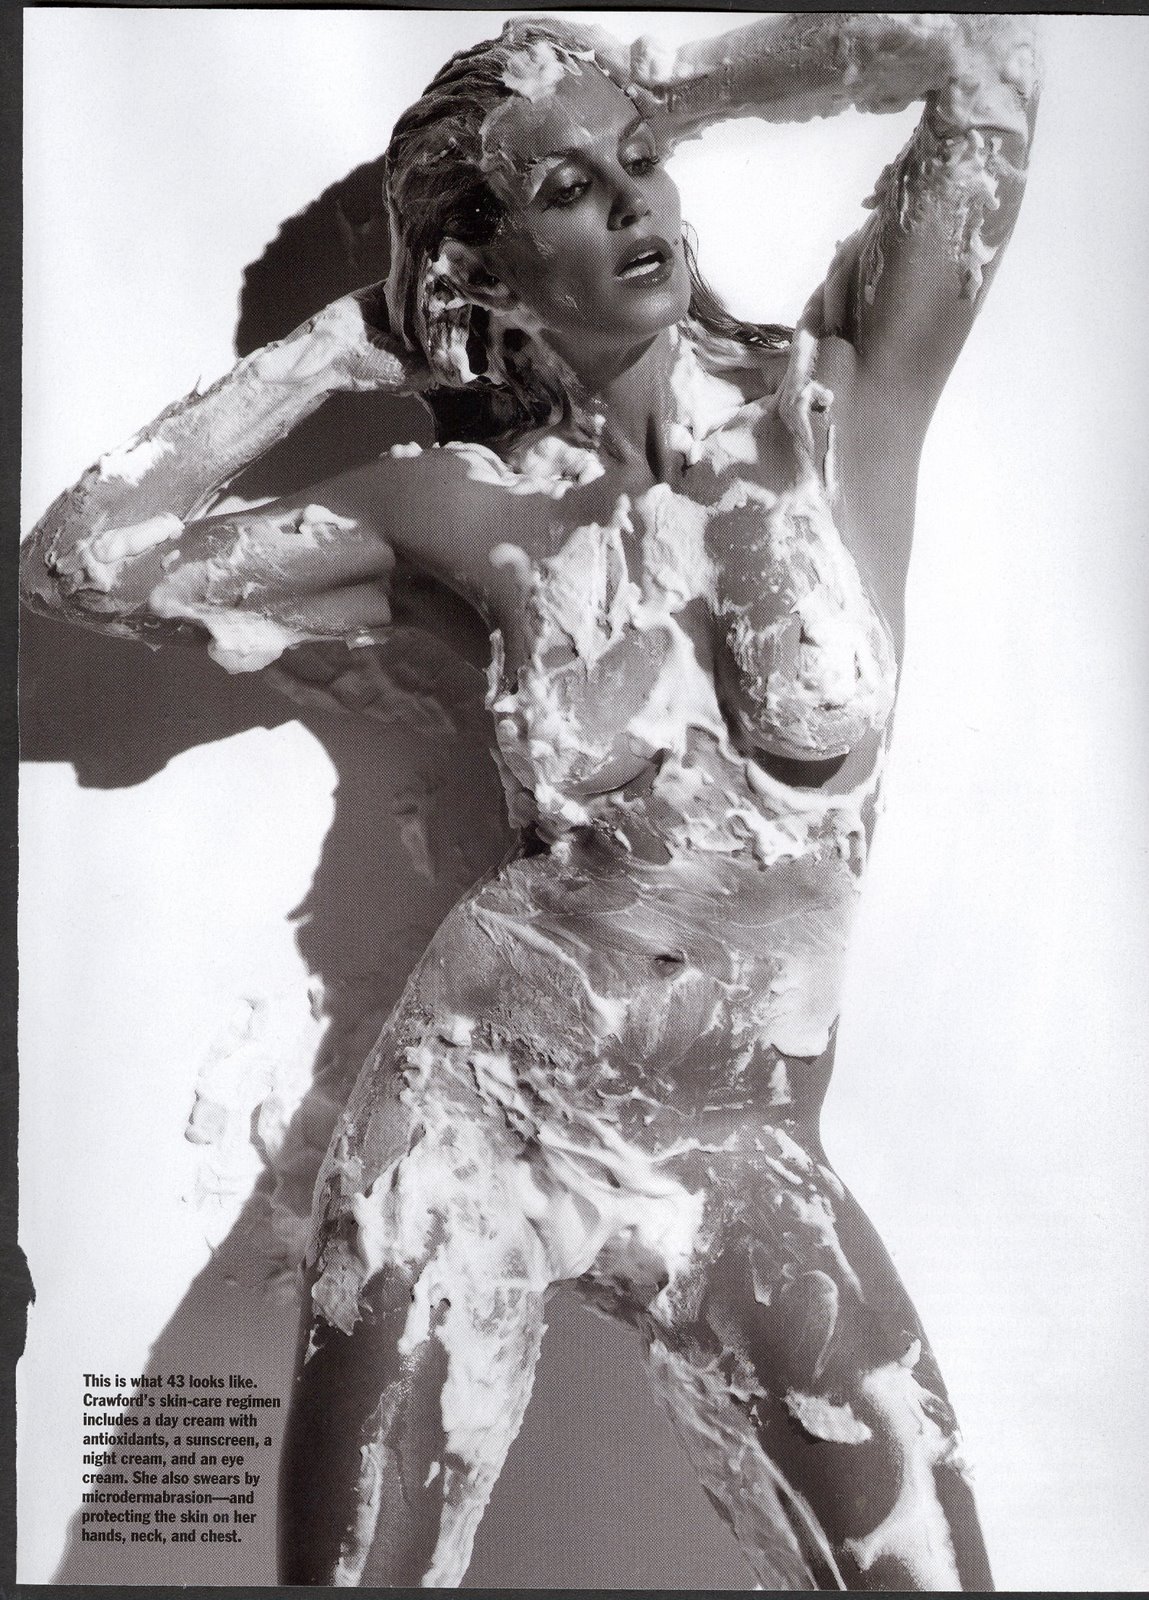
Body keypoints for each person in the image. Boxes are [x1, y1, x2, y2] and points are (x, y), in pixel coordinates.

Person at [20, 12, 1038, 1590]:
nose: (633, 205)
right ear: (482, 267)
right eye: (566, 189)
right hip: (477, 1109)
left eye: (639, 168)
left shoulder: (834, 397)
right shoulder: (460, 508)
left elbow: (983, 55)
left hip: (744, 1148)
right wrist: (347, 341)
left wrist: (673, 92)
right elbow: (85, 562)